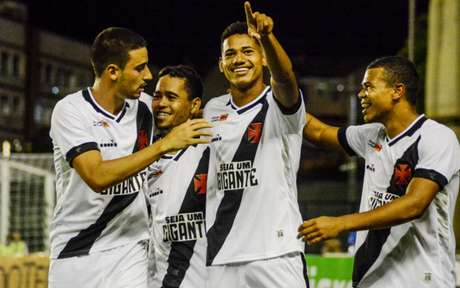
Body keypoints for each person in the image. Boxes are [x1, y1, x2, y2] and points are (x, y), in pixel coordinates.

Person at [48, 27, 211, 288]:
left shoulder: (146, 106)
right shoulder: (71, 111)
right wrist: (164, 145)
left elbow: (185, 111)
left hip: (130, 251)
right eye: (140, 68)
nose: (148, 75)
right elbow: (97, 176)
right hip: (76, 252)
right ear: (113, 71)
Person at [298, 56, 460, 287]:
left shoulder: (438, 137)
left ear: (397, 91)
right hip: (371, 280)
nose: (361, 95)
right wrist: (277, 102)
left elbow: (414, 204)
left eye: (368, 87)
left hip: (422, 280)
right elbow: (319, 132)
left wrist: (341, 223)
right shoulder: (372, 136)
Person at [203, 2, 308, 287]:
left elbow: (285, 79)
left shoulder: (279, 103)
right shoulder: (211, 110)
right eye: (230, 54)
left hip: (276, 252)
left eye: (248, 51)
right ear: (221, 64)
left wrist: (267, 38)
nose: (239, 59)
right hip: (221, 254)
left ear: (263, 58)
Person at [144, 65, 209, 288]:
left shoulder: (209, 154)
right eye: (157, 96)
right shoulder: (144, 157)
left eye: (171, 97)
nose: (161, 103)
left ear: (194, 105)